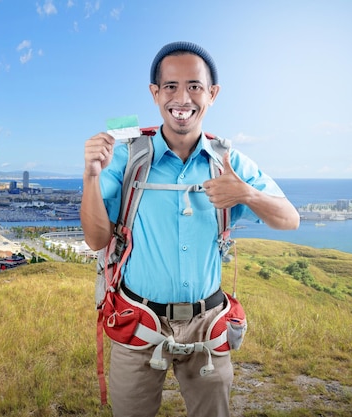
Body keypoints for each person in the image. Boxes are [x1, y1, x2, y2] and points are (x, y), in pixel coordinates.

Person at [80, 41, 300, 417]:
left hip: (207, 326)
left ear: (212, 94)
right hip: (137, 320)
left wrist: (244, 192)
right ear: (155, 93)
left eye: (195, 86)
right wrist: (90, 176)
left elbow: (289, 219)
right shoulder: (126, 158)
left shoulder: (229, 162)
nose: (183, 97)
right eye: (170, 86)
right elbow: (97, 239)